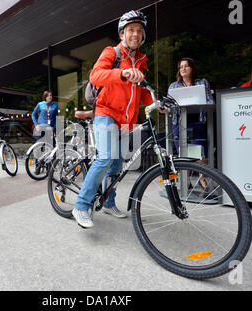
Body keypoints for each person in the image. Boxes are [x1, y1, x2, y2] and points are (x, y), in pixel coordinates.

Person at [72, 10, 155, 229]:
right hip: (106, 112)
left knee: (117, 165)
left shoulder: (142, 62)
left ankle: (108, 202)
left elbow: (142, 93)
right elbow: (96, 76)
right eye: (131, 30)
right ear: (122, 34)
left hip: (126, 120)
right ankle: (81, 205)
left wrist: (156, 103)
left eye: (139, 30)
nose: (135, 34)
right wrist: (122, 74)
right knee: (106, 157)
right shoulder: (112, 52)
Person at [168, 57, 214, 169]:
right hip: (179, 123)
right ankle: (186, 180)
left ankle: (202, 178)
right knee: (183, 153)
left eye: (186, 66)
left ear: (192, 68)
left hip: (198, 121)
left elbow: (210, 100)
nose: (183, 69)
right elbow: (169, 104)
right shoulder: (174, 86)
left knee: (200, 150)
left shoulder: (202, 83)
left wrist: (201, 103)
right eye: (181, 67)